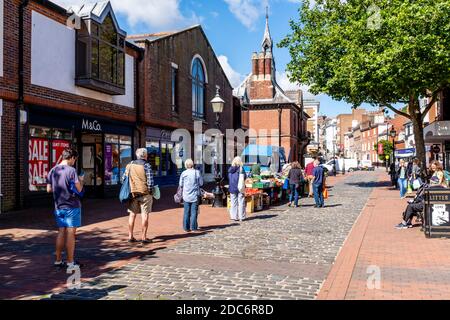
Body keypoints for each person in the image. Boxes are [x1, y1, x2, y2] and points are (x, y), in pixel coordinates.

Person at [46, 147, 84, 270]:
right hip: (72, 206)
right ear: (72, 157)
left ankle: (58, 260)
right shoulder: (71, 171)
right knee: (71, 233)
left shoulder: (53, 170)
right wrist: (82, 180)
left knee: (61, 231)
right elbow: (79, 189)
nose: (74, 162)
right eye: (75, 159)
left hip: (58, 206)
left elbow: (48, 189)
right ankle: (70, 262)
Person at [124, 148, 154, 244]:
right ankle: (144, 237)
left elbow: (123, 178)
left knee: (132, 215)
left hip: (133, 193)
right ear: (145, 155)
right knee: (144, 215)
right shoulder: (147, 165)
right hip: (145, 193)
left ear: (137, 155)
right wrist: (150, 191)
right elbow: (150, 182)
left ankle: (130, 236)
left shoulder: (129, 165)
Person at [179, 159, 203, 232]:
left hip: (186, 195)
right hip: (195, 195)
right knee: (193, 212)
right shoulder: (197, 172)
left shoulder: (183, 173)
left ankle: (186, 228)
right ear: (192, 165)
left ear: (186, 165)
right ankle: (193, 227)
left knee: (186, 212)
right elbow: (201, 183)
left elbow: (180, 184)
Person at [228, 156, 247, 222]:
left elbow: (229, 178)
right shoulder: (241, 169)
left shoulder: (230, 169)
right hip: (240, 187)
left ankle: (234, 217)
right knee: (241, 202)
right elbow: (245, 177)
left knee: (233, 203)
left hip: (232, 187)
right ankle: (241, 217)